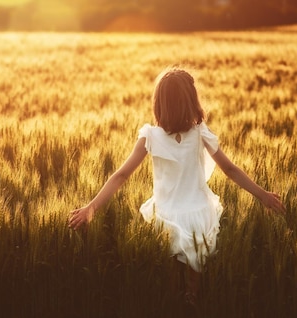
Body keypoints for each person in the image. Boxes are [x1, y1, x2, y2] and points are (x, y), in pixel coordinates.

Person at [68, 67, 286, 304]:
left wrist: (91, 208)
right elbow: (231, 170)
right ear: (192, 102)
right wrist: (262, 195)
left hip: (166, 213)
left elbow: (120, 175)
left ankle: (173, 309)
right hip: (198, 212)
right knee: (195, 270)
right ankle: (192, 303)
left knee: (170, 267)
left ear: (159, 104)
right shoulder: (201, 134)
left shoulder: (149, 136)